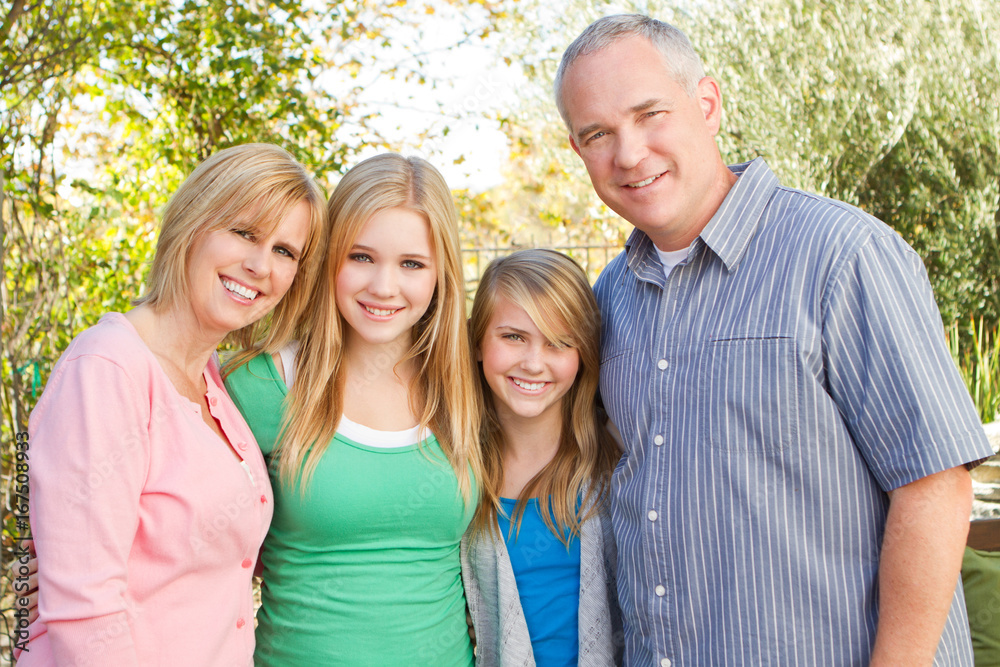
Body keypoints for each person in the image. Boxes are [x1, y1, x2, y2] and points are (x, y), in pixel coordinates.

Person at [554, 14, 995, 666]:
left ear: (707, 103)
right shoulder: (609, 297)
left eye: (650, 114)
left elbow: (934, 484)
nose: (629, 153)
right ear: (578, 149)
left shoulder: (843, 256)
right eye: (598, 134)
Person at [17, 143, 328, 666]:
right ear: (192, 223)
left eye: (284, 251)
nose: (259, 264)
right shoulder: (107, 370)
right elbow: (85, 612)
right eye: (244, 232)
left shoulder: (210, 378)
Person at [224, 153, 481, 666]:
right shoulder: (259, 386)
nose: (384, 286)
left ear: (440, 274)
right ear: (329, 260)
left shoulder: (466, 390)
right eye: (361, 257)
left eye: (412, 264)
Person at [461, 249, 623, 667]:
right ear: (479, 341)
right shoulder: (455, 476)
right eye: (513, 336)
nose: (534, 363)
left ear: (582, 354)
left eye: (559, 342)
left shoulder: (614, 466)